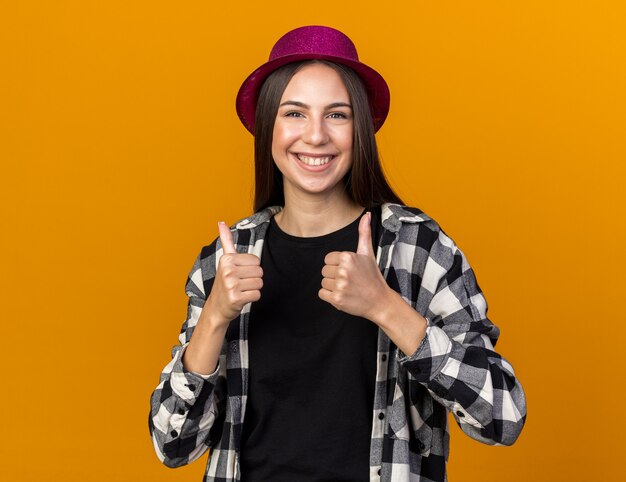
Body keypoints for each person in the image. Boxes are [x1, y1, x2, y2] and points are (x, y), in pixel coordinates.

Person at [149, 25, 526, 482]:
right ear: (267, 126)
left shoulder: (414, 247)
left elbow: (502, 417)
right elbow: (173, 445)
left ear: (360, 128)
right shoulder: (225, 261)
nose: (315, 136)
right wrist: (214, 318)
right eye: (294, 113)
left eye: (337, 115)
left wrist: (386, 307)